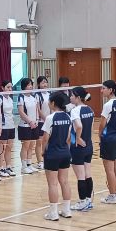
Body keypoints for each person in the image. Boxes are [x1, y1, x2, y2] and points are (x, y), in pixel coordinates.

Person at [41, 91, 73, 221]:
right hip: (65, 153)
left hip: (52, 154)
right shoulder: (68, 117)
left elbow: (45, 138)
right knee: (64, 181)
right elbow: (68, 137)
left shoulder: (50, 118)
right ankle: (67, 210)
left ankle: (53, 213)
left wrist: (43, 151)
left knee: (52, 184)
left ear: (53, 103)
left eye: (49, 101)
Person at [69, 86, 96, 212]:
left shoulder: (75, 111)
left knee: (80, 175)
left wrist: (78, 138)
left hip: (78, 147)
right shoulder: (89, 109)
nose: (70, 97)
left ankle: (82, 202)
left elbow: (79, 126)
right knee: (87, 173)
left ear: (78, 97)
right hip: (89, 145)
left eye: (72, 95)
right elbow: (91, 128)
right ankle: (88, 201)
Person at [98, 80, 116, 204]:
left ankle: (112, 196)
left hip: (109, 139)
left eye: (103, 88)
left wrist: (100, 135)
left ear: (111, 90)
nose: (101, 91)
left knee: (109, 170)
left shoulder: (108, 105)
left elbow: (102, 124)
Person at [17, 77, 39, 174]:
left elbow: (36, 110)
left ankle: (29, 164)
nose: (30, 86)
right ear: (24, 86)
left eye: (31, 85)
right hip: (25, 125)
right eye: (28, 85)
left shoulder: (34, 97)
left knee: (31, 145)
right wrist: (30, 122)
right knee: (25, 146)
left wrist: (36, 120)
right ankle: (24, 166)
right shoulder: (21, 97)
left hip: (34, 125)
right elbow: (21, 112)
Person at [0, 80, 16, 178]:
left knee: (9, 147)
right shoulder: (0, 98)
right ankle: (1, 168)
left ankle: (8, 167)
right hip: (3, 126)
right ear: (2, 88)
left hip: (11, 125)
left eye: (11, 87)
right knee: (2, 148)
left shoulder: (10, 99)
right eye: (8, 87)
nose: (10, 89)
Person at [34, 76, 50, 170]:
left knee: (48, 141)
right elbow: (38, 109)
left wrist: (50, 119)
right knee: (39, 142)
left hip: (49, 120)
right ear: (39, 84)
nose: (45, 84)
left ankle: (47, 159)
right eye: (43, 82)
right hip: (41, 121)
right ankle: (40, 161)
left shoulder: (50, 94)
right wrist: (45, 119)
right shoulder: (37, 95)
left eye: (46, 82)